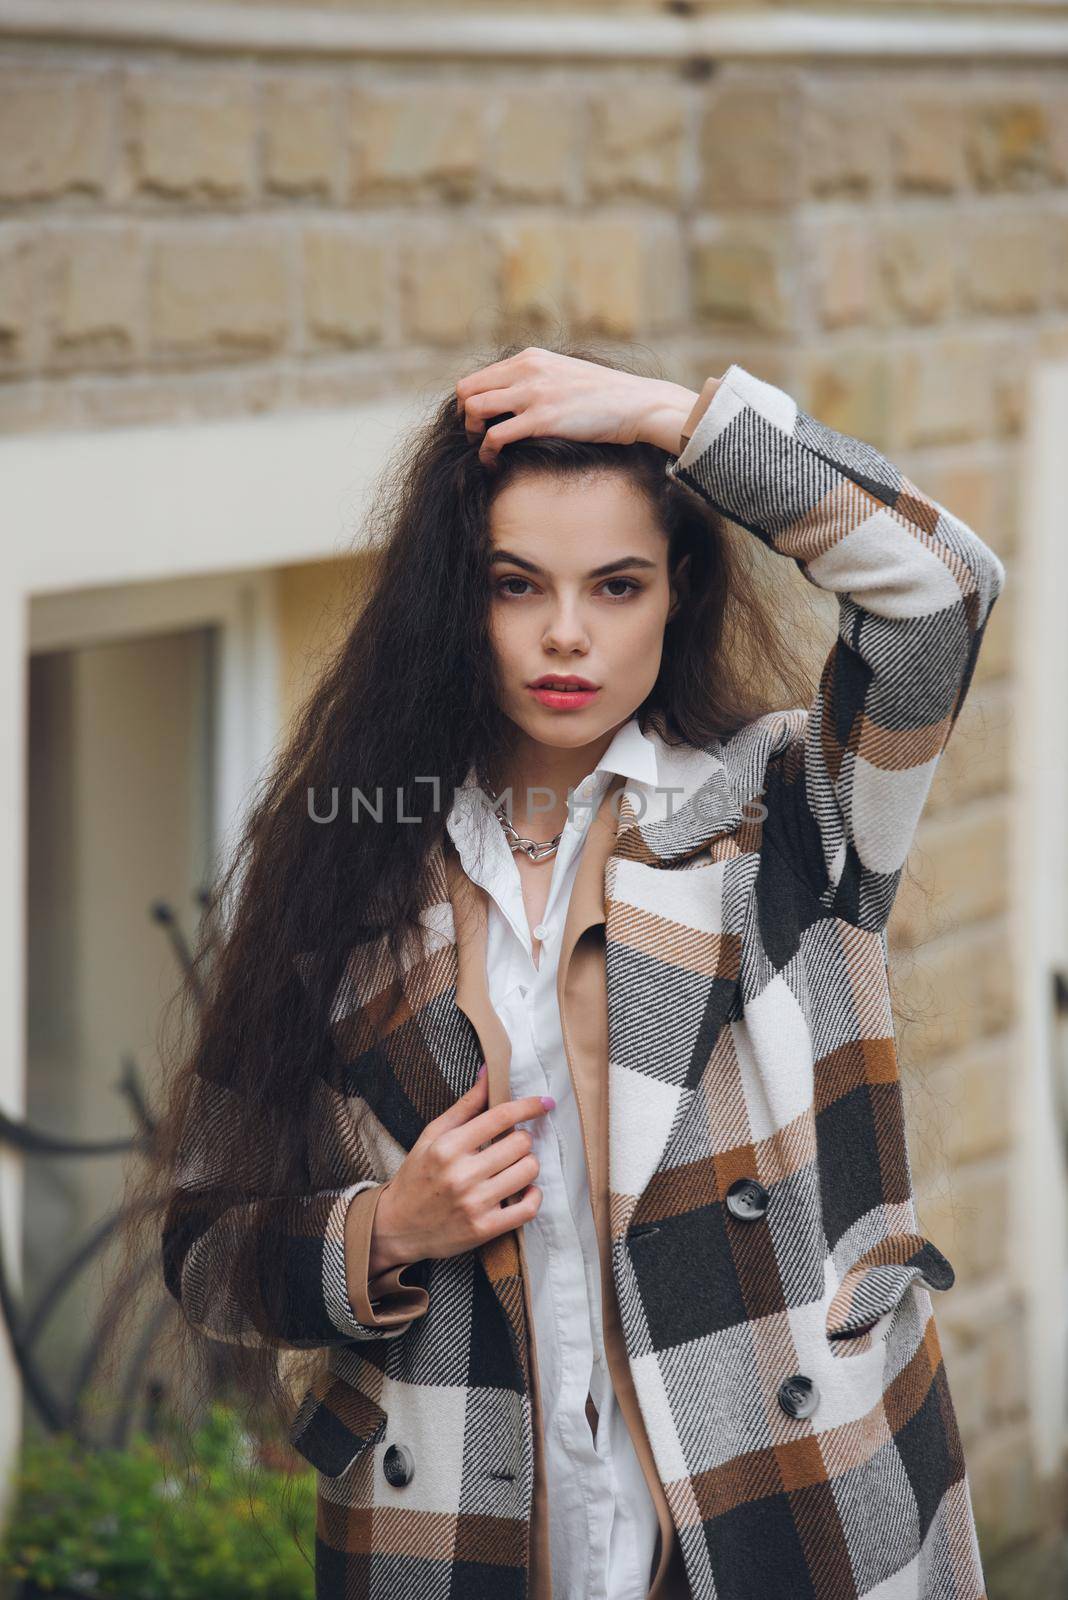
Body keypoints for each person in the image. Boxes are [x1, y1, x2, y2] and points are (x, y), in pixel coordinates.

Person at [154, 343, 1005, 1600]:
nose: (567, 635)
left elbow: (941, 593)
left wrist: (679, 421)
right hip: (456, 1543)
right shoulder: (349, 865)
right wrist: (385, 1230)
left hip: (784, 1513)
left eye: (617, 584)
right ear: (459, 600)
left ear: (677, 593)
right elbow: (204, 1248)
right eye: (516, 585)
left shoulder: (789, 815)